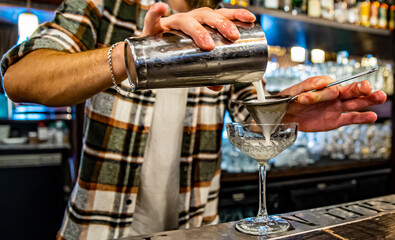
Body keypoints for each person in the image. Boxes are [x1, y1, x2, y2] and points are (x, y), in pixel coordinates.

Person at [0, 0, 386, 238]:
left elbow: (249, 114)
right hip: (100, 229)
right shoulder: (105, 6)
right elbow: (20, 79)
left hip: (197, 231)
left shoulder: (226, 22)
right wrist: (136, 54)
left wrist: (289, 110)